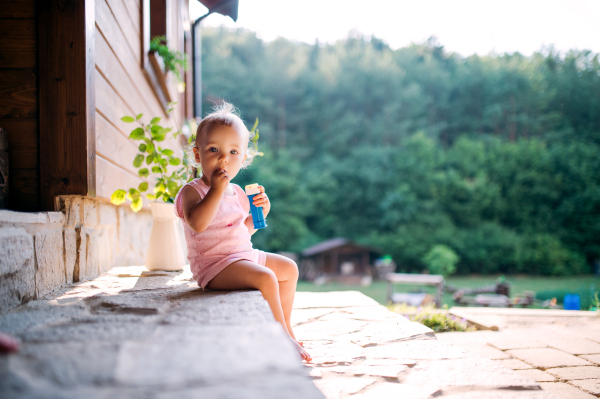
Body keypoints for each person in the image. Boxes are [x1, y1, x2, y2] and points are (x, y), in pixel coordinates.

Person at [174, 102, 311, 362]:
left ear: (243, 159)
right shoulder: (193, 191)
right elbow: (198, 224)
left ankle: (288, 328)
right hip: (214, 267)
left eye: (233, 152)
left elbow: (241, 232)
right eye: (214, 149)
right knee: (266, 278)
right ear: (197, 154)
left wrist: (260, 215)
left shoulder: (237, 193)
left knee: (289, 269)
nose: (223, 158)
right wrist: (215, 190)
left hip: (240, 255)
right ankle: (280, 336)